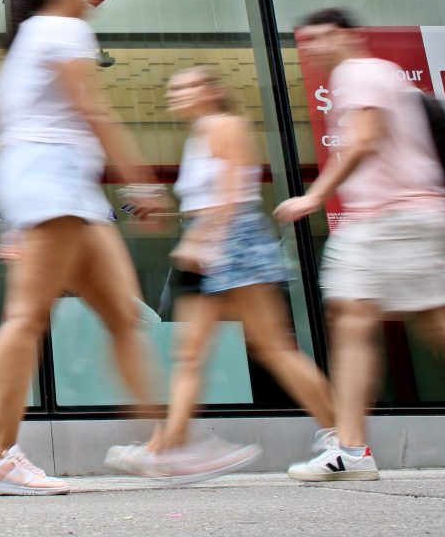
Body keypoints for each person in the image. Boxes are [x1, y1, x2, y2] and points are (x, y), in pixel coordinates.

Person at [275, 8, 445, 482]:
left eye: (326, 37)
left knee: (360, 318)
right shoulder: (384, 75)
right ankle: (350, 448)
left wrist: (315, 196)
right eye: (309, 41)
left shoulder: (357, 73)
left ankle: (350, 449)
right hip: (407, 216)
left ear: (352, 36)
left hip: (390, 218)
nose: (316, 48)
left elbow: (366, 141)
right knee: (441, 327)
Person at [0, 0, 165, 497]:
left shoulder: (26, 42)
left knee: (122, 316)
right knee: (27, 317)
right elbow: (93, 109)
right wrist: (142, 184)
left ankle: (165, 444)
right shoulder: (62, 27)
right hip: (54, 183)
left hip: (61, 187)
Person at [106, 66, 335, 485]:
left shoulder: (226, 125)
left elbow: (232, 194)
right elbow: (207, 199)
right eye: (175, 86)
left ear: (212, 91)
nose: (179, 93)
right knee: (190, 354)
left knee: (272, 347)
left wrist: (203, 239)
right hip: (206, 238)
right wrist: (175, 220)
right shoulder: (198, 134)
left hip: (232, 240)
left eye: (190, 86)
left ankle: (344, 438)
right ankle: (165, 447)